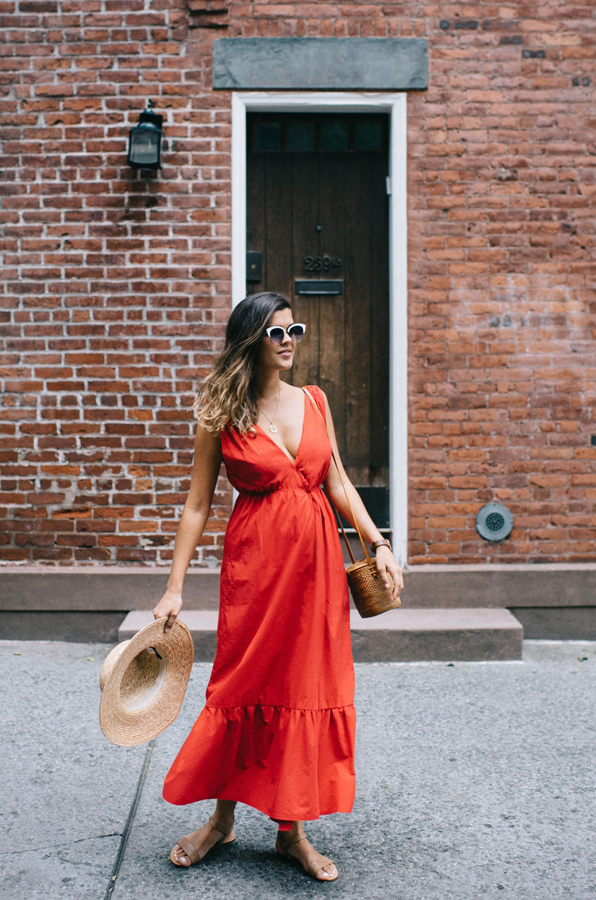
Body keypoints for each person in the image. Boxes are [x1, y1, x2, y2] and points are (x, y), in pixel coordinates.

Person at [153, 291, 404, 882]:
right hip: (255, 568)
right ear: (250, 341)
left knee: (302, 685)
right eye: (276, 334)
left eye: (296, 331)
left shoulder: (314, 400)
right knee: (242, 684)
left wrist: (380, 544)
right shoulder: (220, 412)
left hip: (315, 570)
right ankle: (220, 820)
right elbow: (195, 507)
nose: (289, 342)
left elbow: (339, 483)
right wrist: (173, 589)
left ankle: (291, 831)